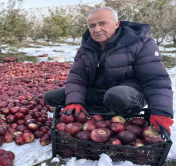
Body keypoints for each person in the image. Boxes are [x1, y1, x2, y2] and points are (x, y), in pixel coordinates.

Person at [44, 7, 174, 135]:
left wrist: (161, 112)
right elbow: (77, 77)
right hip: (99, 93)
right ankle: (98, 113)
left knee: (116, 95)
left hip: (128, 94)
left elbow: (155, 79)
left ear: (116, 24)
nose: (97, 29)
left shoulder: (141, 43)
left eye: (102, 23)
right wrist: (74, 102)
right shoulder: (86, 48)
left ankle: (117, 112)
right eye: (92, 25)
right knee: (52, 97)